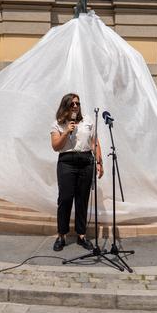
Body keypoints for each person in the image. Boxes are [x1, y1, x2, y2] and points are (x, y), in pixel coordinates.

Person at [50, 93, 103, 252]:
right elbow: (56, 146)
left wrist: (99, 161)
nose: (75, 106)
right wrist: (66, 131)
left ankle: (81, 235)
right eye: (72, 104)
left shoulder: (87, 121)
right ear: (65, 105)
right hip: (67, 161)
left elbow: (94, 142)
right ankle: (61, 235)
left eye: (77, 103)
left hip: (86, 161)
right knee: (65, 199)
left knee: (82, 199)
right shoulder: (58, 124)